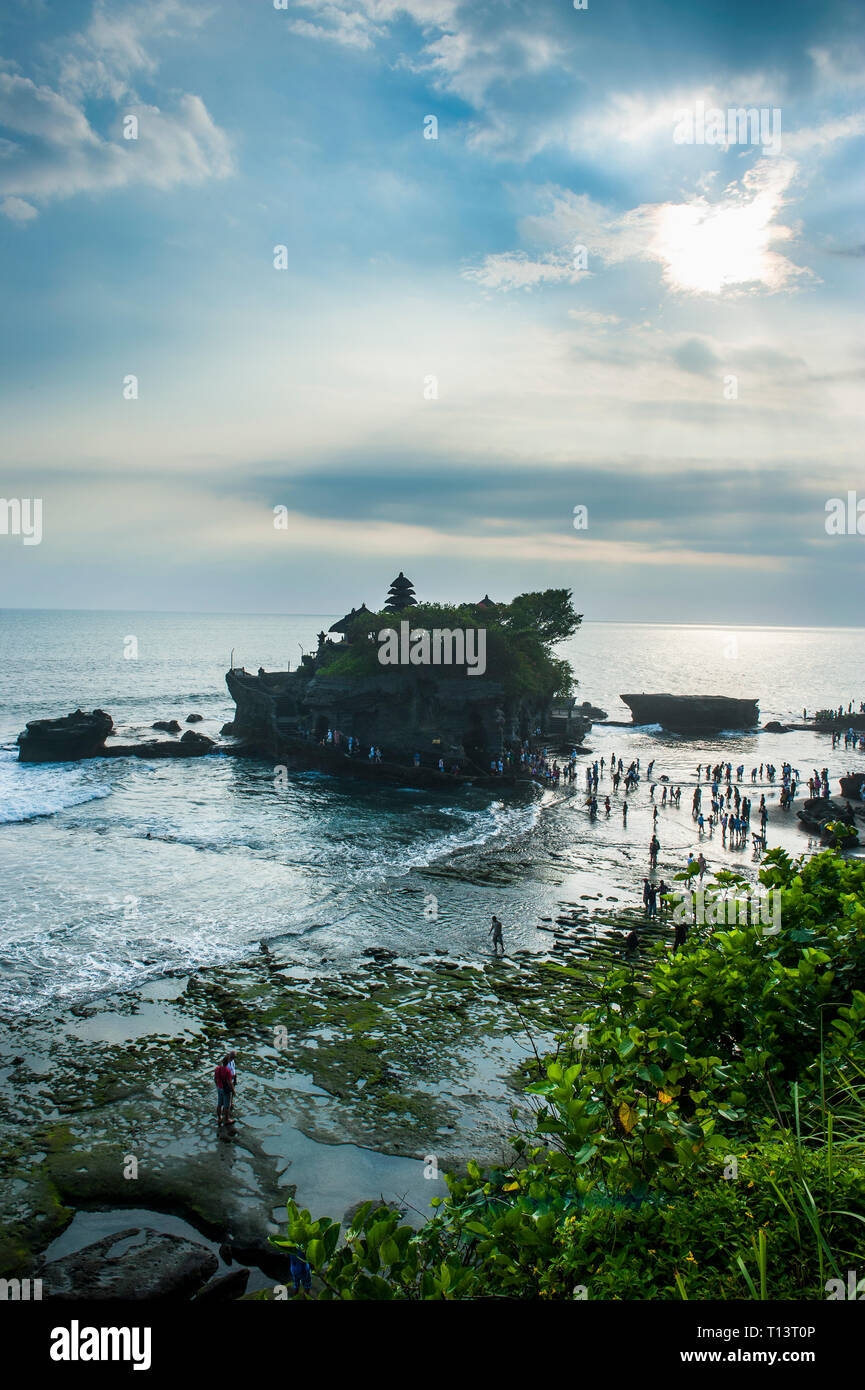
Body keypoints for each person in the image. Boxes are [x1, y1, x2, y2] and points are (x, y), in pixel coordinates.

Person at [214, 1054, 234, 1127]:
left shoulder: (217, 1069)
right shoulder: (227, 1071)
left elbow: (215, 1079)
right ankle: (226, 1119)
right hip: (226, 1090)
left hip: (219, 1088)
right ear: (228, 1062)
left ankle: (219, 1118)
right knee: (226, 1106)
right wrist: (233, 1090)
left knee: (219, 1104)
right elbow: (229, 1082)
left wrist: (217, 1086)